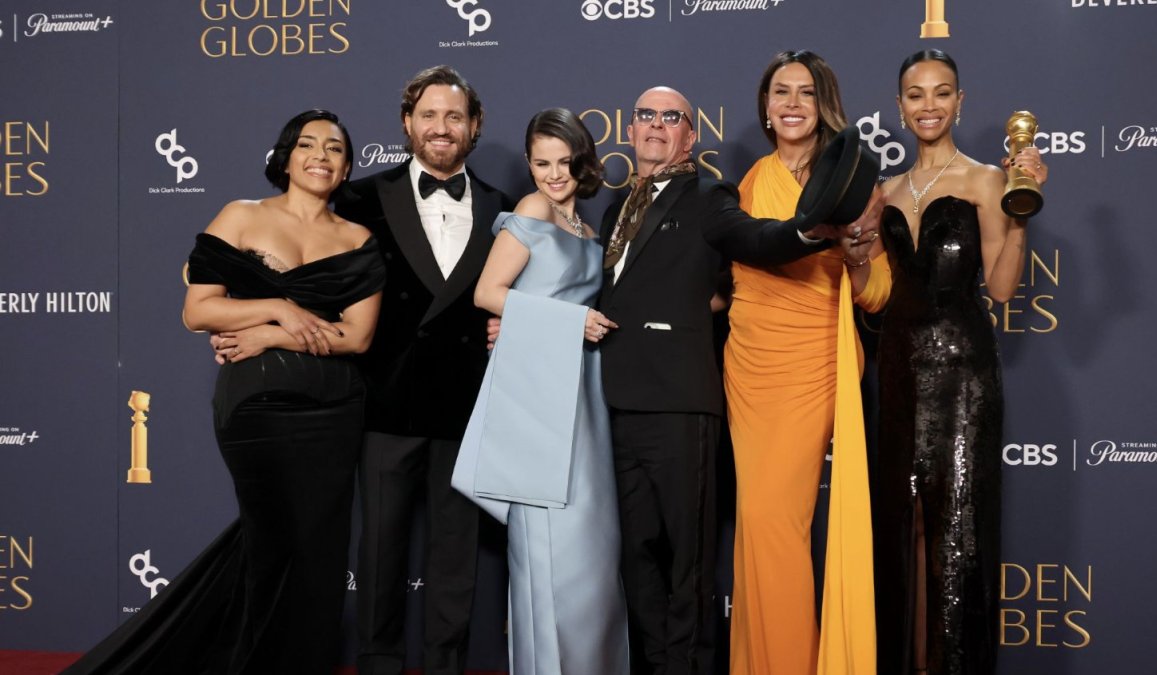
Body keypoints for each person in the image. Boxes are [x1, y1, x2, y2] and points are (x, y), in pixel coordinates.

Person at [65, 109, 386, 675]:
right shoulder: (241, 216)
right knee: (275, 541)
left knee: (320, 550)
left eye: (334, 148)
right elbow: (198, 308)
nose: (320, 155)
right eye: (307, 144)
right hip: (257, 408)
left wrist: (268, 333)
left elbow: (357, 337)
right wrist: (280, 307)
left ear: (347, 167)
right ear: (284, 158)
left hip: (336, 409)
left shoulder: (358, 238)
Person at [597, 85, 882, 675]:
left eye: (670, 117)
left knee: (688, 564)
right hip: (618, 403)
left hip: (683, 403)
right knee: (637, 559)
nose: (655, 126)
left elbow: (755, 239)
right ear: (630, 130)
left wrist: (807, 231)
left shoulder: (709, 194)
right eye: (644, 115)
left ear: (689, 135)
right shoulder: (612, 207)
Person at [334, 65, 513, 675]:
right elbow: (309, 277)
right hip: (385, 404)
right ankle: (379, 662)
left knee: (455, 556)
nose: (442, 128)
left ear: (475, 126)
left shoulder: (504, 209)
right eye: (429, 115)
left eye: (454, 116)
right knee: (380, 549)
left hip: (468, 409)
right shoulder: (358, 198)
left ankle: (445, 665)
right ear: (407, 123)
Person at [874, 49, 1047, 675]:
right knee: (901, 529)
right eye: (915, 95)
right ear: (898, 106)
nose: (928, 106)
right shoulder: (883, 191)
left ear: (960, 102)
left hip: (963, 373)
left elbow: (1000, 290)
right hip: (894, 370)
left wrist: (1021, 216)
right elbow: (872, 288)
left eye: (941, 93)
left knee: (958, 532)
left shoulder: (986, 180)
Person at [724, 50, 888, 675]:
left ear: (823, 106)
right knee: (758, 526)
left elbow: (875, 294)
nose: (792, 103)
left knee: (774, 523)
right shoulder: (745, 182)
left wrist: (857, 251)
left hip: (813, 359)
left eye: (806, 93)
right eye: (780, 92)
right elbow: (731, 277)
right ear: (765, 107)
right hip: (747, 364)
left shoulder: (851, 183)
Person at [451, 108, 629, 675]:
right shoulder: (531, 209)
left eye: (565, 162)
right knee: (547, 550)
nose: (554, 174)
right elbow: (487, 293)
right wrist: (565, 321)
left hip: (585, 394)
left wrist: (565, 321)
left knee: (591, 550)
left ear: (583, 161)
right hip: (536, 395)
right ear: (529, 164)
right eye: (541, 162)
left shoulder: (590, 230)